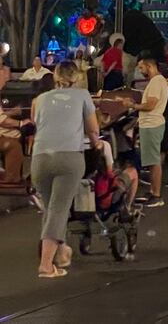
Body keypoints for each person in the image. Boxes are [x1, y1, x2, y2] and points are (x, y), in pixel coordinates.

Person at [30, 60, 101, 278]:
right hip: (69, 157)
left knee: (51, 209)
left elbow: (37, 122)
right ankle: (45, 264)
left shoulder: (40, 99)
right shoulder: (82, 96)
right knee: (60, 209)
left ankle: (61, 254)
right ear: (77, 76)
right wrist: (95, 143)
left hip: (40, 158)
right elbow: (93, 129)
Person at [126, 55, 168, 208]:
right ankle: (152, 191)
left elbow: (150, 105)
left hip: (152, 125)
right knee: (151, 161)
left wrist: (133, 106)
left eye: (141, 67)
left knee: (154, 161)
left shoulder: (157, 81)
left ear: (149, 66)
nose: (140, 70)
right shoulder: (157, 81)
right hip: (149, 124)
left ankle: (156, 195)